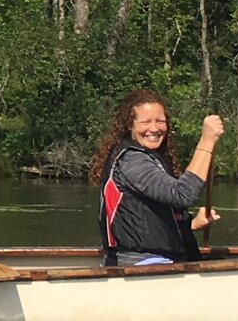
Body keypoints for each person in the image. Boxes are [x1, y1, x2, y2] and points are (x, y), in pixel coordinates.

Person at [91, 91, 224, 267]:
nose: (154, 128)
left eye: (160, 121)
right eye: (146, 122)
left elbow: (146, 220)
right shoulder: (131, 161)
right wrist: (207, 141)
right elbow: (182, 194)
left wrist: (191, 224)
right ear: (129, 126)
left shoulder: (147, 158)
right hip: (140, 263)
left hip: (157, 259)